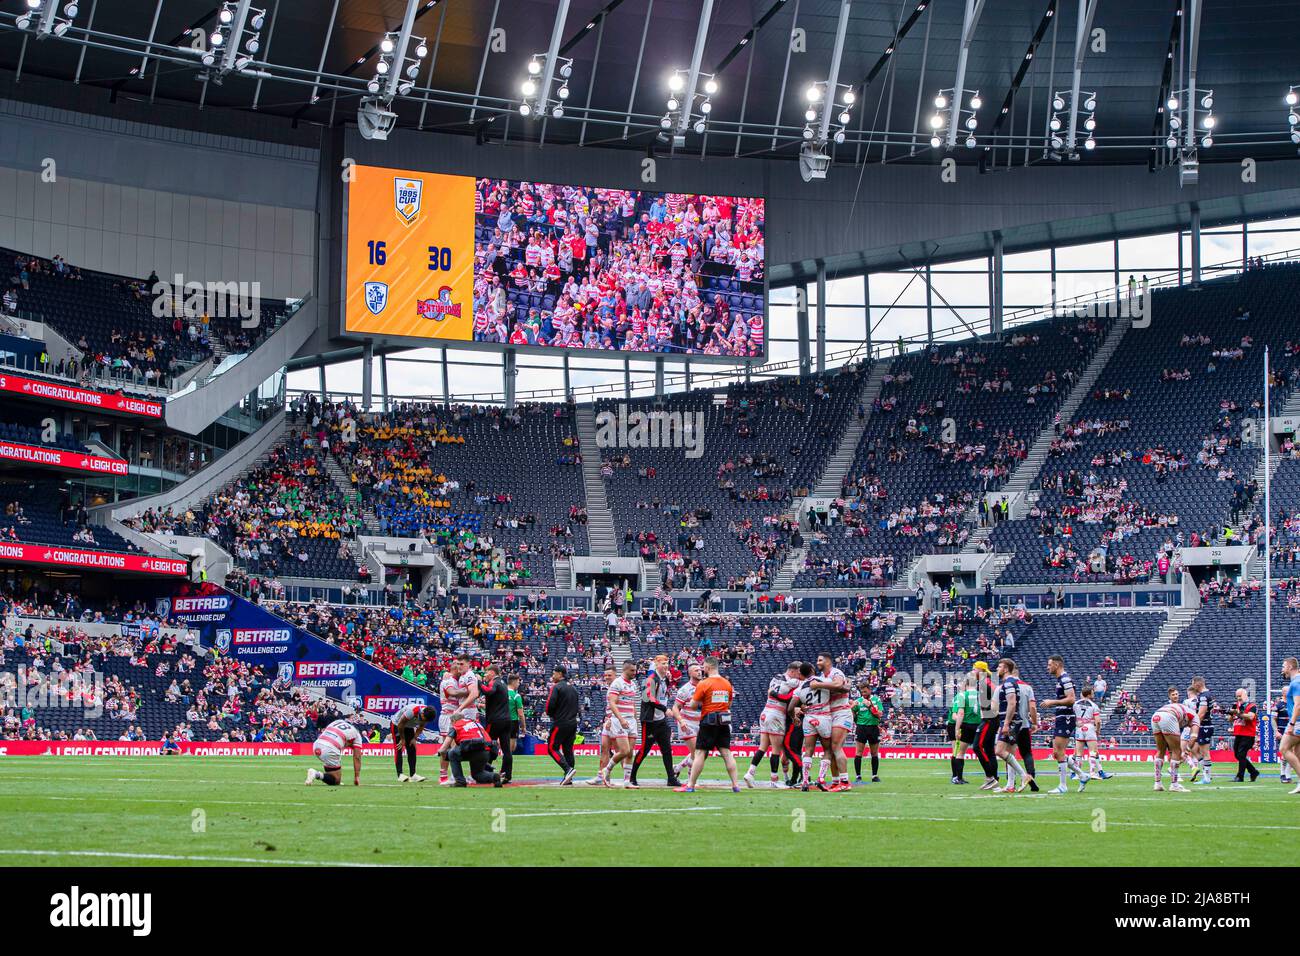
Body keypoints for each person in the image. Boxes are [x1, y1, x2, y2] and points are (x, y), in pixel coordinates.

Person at [676, 657, 741, 793]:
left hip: (708, 720)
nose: (702, 670)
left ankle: (690, 786)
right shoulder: (727, 683)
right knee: (727, 754)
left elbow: (693, 706)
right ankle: (735, 785)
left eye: (704, 667)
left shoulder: (704, 684)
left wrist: (703, 702)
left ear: (709, 667)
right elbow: (729, 704)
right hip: (723, 720)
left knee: (699, 753)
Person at [744, 661, 801, 789]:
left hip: (765, 712)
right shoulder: (794, 682)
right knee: (776, 749)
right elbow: (788, 697)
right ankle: (774, 779)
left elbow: (771, 692)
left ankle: (750, 773)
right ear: (793, 671)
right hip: (776, 714)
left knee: (762, 747)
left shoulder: (775, 677)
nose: (799, 675)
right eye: (798, 672)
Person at [630, 655, 681, 788]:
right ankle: (632, 777)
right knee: (644, 750)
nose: (665, 666)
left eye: (667, 663)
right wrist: (665, 709)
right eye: (663, 663)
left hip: (661, 720)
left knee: (667, 750)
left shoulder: (664, 680)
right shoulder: (650, 679)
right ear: (656, 664)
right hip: (650, 721)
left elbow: (662, 695)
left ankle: (671, 778)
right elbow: (649, 698)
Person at [1042, 655, 1084, 794]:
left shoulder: (1065, 679)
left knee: (1059, 752)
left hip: (1066, 717)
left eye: (1049, 665)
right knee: (1056, 752)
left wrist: (1052, 702)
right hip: (1062, 717)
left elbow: (1071, 699)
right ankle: (1082, 775)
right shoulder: (1061, 679)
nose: (1048, 667)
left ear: (1057, 665)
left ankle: (1063, 785)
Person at [993, 658, 1032, 793]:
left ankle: (1024, 775)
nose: (997, 669)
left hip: (1010, 722)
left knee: (999, 751)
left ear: (1005, 669)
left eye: (999, 667)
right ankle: (1010, 785)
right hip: (1013, 721)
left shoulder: (1008, 683)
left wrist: (1006, 723)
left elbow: (1012, 703)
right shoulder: (1009, 683)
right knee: (1009, 752)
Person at [1151, 686, 1199, 793]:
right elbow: (1194, 736)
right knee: (1176, 751)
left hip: (1156, 715)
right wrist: (1186, 751)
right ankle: (1174, 784)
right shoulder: (1195, 717)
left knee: (1160, 751)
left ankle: (1157, 783)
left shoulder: (1181, 708)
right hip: (1169, 716)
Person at [438, 710, 502, 787]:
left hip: (472, 749)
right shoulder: (475, 723)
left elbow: (443, 748)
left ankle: (460, 781)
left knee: (451, 753)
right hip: (487, 751)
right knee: (477, 774)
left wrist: (441, 753)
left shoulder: (456, 726)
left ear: (453, 721)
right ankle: (494, 777)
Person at [544, 665, 579, 785]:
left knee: (551, 748)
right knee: (568, 750)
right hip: (573, 723)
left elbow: (549, 706)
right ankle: (568, 778)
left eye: (554, 673)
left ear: (560, 674)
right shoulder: (574, 689)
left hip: (560, 722)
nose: (553, 676)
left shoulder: (556, 687)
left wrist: (552, 714)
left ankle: (568, 770)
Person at [479, 665, 514, 784]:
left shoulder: (494, 682)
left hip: (495, 721)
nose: (485, 675)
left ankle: (484, 772)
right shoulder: (503, 683)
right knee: (506, 749)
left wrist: (479, 683)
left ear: (492, 673)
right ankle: (507, 774)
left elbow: (489, 691)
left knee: (487, 745)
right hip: (506, 720)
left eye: (486, 672)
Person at [305, 718, 365, 787]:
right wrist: (356, 777)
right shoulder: (357, 735)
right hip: (331, 748)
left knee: (332, 772)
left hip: (317, 744)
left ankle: (327, 776)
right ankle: (315, 774)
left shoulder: (337, 722)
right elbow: (357, 757)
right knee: (336, 780)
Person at [669, 663, 703, 779]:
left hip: (701, 723)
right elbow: (675, 707)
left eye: (700, 670)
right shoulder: (685, 690)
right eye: (696, 670)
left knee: (700, 753)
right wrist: (681, 721)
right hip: (688, 723)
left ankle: (677, 768)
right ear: (689, 673)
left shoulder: (705, 686)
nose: (699, 672)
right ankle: (690, 780)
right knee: (696, 753)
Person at [389, 702, 437, 782]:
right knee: (399, 748)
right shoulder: (411, 711)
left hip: (409, 726)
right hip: (397, 725)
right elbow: (401, 724)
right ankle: (400, 774)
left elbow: (421, 726)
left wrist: (414, 738)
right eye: (423, 719)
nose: (424, 721)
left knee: (412, 748)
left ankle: (413, 775)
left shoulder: (427, 715)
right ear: (422, 713)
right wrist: (403, 739)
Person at [972, 661, 1001, 790]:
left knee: (977, 746)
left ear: (981, 671)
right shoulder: (983, 682)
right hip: (989, 718)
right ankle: (994, 779)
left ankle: (990, 777)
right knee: (989, 751)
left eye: (975, 669)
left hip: (989, 719)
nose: (973, 672)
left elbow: (998, 693)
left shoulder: (986, 682)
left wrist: (991, 710)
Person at [1072, 686, 1111, 781]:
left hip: (1079, 727)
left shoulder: (1075, 704)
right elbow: (1098, 721)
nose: (1093, 694)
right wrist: (1097, 730)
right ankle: (1092, 773)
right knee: (1093, 751)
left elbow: (1071, 716)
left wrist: (1076, 723)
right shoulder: (1093, 705)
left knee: (1079, 753)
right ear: (1089, 694)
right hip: (1089, 727)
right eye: (1092, 693)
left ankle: (1078, 774)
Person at [947, 674, 980, 784]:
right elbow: (954, 716)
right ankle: (955, 776)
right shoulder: (960, 696)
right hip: (955, 725)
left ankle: (957, 776)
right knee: (956, 752)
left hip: (961, 724)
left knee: (958, 752)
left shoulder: (962, 696)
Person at [1185, 676, 1215, 784]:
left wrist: (1194, 724)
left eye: (1193, 684)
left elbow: (1201, 714)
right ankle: (1206, 774)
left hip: (1204, 726)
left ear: (1198, 684)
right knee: (1194, 749)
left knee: (1205, 752)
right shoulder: (1207, 695)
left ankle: (1207, 778)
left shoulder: (1203, 696)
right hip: (1204, 725)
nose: (1193, 687)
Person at [852, 683, 883, 783]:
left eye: (865, 691)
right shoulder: (858, 701)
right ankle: (858, 776)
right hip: (861, 728)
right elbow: (852, 714)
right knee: (858, 753)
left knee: (874, 753)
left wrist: (870, 706)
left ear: (870, 690)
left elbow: (879, 715)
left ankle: (874, 775)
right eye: (862, 692)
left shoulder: (876, 700)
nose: (863, 693)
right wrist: (853, 713)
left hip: (873, 728)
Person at [1228, 687, 1260, 783]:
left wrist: (1239, 714)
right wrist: (1231, 713)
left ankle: (1240, 776)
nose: (1238, 698)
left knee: (1241, 754)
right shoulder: (1236, 705)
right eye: (1237, 696)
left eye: (1240, 696)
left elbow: (1250, 717)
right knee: (1237, 755)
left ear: (1245, 695)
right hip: (1238, 733)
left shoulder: (1252, 706)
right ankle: (1253, 771)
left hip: (1248, 734)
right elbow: (1229, 719)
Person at [1280, 657, 1300, 794]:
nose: (1282, 669)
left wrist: (1292, 724)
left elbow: (1298, 705)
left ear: (1290, 667)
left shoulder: (1296, 682)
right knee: (1297, 754)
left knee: (1284, 749)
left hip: (1297, 722)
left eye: (1283, 666)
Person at [507, 674, 526, 754]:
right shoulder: (516, 696)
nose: (518, 684)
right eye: (518, 682)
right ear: (514, 682)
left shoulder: (501, 693)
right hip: (512, 721)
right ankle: (506, 764)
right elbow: (521, 714)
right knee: (511, 747)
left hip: (501, 720)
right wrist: (523, 727)